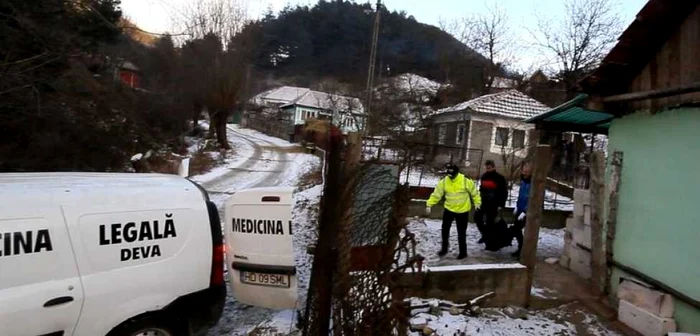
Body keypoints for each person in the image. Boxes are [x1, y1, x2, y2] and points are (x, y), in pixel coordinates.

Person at [426, 163, 482, 259]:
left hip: (463, 211)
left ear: (457, 173)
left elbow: (475, 193)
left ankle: (463, 252)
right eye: (449, 175)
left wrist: (477, 203)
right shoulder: (444, 182)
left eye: (452, 175)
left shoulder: (465, 180)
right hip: (449, 209)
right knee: (445, 230)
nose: (450, 177)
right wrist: (429, 204)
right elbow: (437, 194)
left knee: (461, 232)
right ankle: (444, 249)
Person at [474, 160, 508, 245]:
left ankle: (489, 240)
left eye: (489, 168)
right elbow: (481, 189)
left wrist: (501, 204)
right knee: (477, 217)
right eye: (486, 168)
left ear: (493, 167)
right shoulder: (484, 176)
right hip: (483, 202)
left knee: (490, 222)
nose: (487, 169)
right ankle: (484, 235)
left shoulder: (499, 178)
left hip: (494, 204)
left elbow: (504, 192)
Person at [509, 163, 532, 258]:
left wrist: (525, 211)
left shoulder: (532, 183)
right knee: (516, 229)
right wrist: (517, 207)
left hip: (527, 211)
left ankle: (523, 250)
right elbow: (521, 196)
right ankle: (521, 248)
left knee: (519, 229)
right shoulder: (523, 181)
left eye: (527, 172)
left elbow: (531, 198)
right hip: (520, 209)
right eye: (523, 171)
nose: (525, 173)